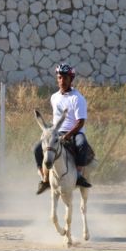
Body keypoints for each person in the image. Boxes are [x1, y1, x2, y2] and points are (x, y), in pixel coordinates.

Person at [34, 63, 94, 194]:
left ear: (71, 79)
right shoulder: (54, 97)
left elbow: (80, 122)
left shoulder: (77, 98)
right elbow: (56, 118)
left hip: (75, 132)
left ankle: (78, 175)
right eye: (60, 77)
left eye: (66, 78)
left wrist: (68, 135)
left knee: (82, 144)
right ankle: (44, 179)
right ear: (57, 79)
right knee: (37, 149)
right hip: (57, 132)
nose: (62, 81)